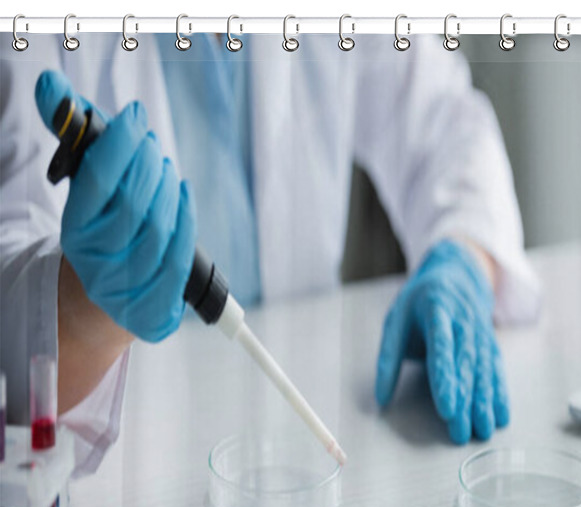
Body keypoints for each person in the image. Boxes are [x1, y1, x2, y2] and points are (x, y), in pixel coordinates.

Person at [0, 33, 539, 473]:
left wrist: (464, 256)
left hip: (285, 440)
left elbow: (445, 122)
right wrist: (81, 310)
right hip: (122, 492)